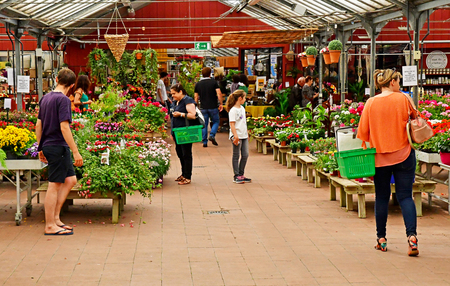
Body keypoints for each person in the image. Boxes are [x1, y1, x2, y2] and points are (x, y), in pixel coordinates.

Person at [357, 69, 419, 256]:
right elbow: (417, 119)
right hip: (404, 153)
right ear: (391, 83)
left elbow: (362, 133)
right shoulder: (403, 98)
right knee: (406, 197)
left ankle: (381, 239)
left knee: (382, 197)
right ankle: (412, 238)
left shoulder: (370, 103)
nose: (399, 84)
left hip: (380, 158)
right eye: (398, 81)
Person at [36, 68, 83, 236]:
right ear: (71, 86)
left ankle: (55, 219)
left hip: (50, 145)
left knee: (70, 180)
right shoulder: (63, 100)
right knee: (54, 185)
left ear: (56, 79)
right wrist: (76, 152)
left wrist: (40, 146)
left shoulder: (45, 98)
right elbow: (64, 127)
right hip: (57, 146)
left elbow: (38, 125)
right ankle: (49, 225)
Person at [170, 83, 197, 185]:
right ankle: (183, 174)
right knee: (180, 152)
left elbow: (193, 115)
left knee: (186, 153)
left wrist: (180, 114)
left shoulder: (188, 100)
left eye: (174, 93)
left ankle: (187, 176)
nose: (172, 96)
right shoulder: (176, 102)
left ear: (180, 92)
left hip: (185, 131)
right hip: (177, 131)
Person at [226, 89, 251, 184]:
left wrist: (247, 133)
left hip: (243, 134)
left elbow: (243, 122)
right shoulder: (233, 110)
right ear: (240, 98)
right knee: (236, 155)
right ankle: (236, 175)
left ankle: (241, 173)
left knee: (245, 154)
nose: (245, 99)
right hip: (237, 135)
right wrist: (235, 136)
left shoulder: (242, 109)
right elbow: (232, 124)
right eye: (244, 98)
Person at [194, 67, 223, 147]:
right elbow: (219, 93)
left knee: (204, 124)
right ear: (210, 73)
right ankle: (212, 135)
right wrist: (221, 103)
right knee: (216, 121)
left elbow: (196, 97)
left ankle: (204, 141)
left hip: (203, 107)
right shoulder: (214, 82)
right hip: (213, 106)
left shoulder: (198, 84)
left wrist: (195, 107)